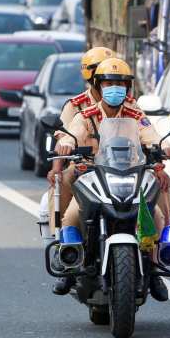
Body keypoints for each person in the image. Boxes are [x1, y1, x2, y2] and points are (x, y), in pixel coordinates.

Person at [52, 58, 170, 301]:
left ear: (127, 87)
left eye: (120, 84)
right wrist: (67, 144)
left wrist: (166, 147)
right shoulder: (85, 115)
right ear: (98, 86)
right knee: (71, 216)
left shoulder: (135, 114)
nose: (114, 88)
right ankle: (70, 265)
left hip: (130, 173)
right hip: (91, 174)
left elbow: (152, 135)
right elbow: (73, 133)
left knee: (156, 216)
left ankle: (154, 270)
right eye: (109, 83)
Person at [47, 47, 120, 230]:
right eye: (103, 74)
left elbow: (145, 133)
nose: (109, 78)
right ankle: (62, 235)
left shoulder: (129, 104)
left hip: (122, 167)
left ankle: (163, 242)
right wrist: (56, 168)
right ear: (92, 77)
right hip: (84, 166)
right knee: (61, 179)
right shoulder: (76, 106)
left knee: (159, 181)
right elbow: (63, 138)